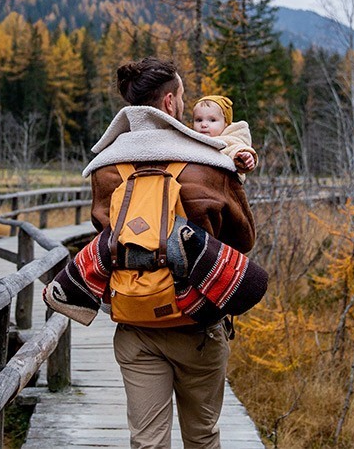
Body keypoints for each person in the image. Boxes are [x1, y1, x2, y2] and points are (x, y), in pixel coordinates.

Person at [83, 57, 256, 448]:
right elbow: (243, 240)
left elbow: (105, 230)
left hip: (135, 322)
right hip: (197, 322)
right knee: (202, 436)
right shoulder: (210, 163)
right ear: (170, 103)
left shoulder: (106, 167)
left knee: (147, 441)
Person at [191, 95, 258, 182]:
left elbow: (236, 148)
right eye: (199, 120)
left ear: (226, 123)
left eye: (212, 120)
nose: (203, 125)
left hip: (225, 188)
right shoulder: (192, 142)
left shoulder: (229, 139)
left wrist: (245, 156)